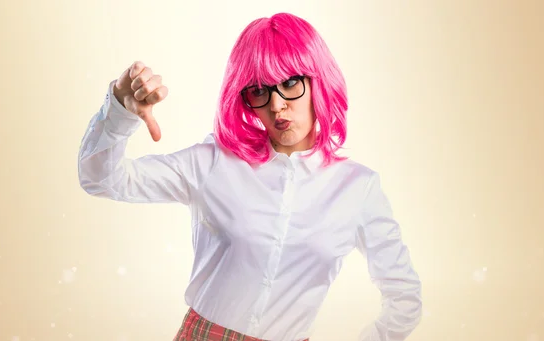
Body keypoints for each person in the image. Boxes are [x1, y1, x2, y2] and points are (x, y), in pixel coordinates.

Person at [77, 12, 422, 341]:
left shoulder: (358, 188)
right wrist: (119, 110)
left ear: (319, 81)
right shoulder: (214, 162)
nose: (276, 105)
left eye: (290, 83)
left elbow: (404, 296)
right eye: (259, 90)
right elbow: (104, 180)